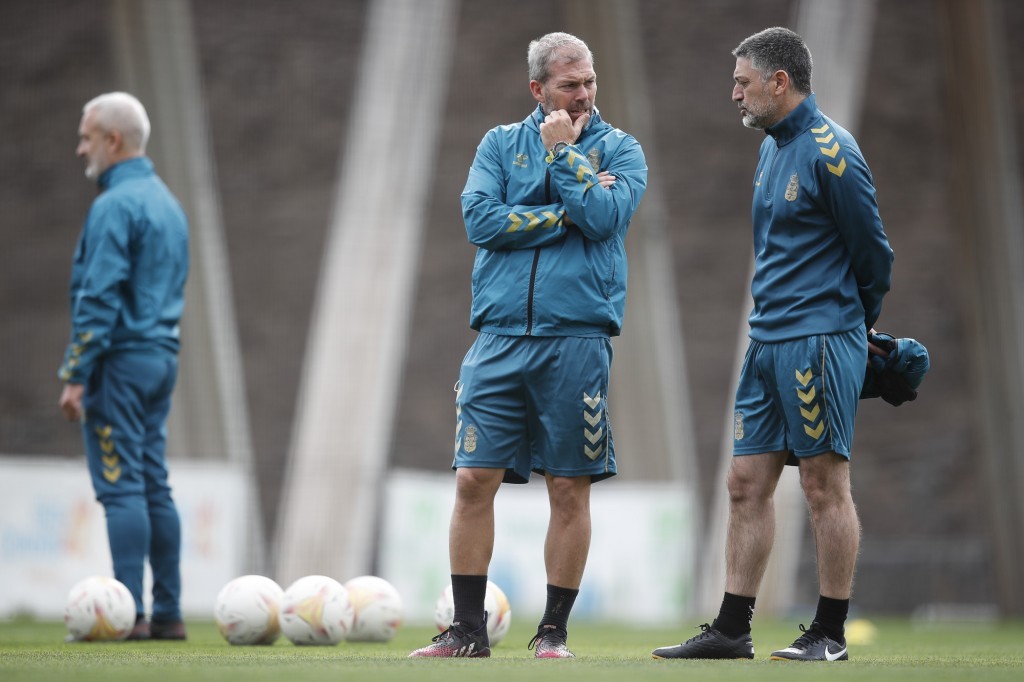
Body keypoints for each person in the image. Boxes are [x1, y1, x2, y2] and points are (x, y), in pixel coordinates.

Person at [652, 27, 893, 662]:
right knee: (743, 484)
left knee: (822, 484)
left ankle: (830, 634)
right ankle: (732, 630)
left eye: (743, 82)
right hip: (765, 342)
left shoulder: (830, 151)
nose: (734, 93)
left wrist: (852, 329)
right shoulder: (770, 148)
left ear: (778, 83)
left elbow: (875, 254)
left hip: (817, 339)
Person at [409, 32, 647, 659]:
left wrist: (567, 158)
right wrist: (559, 215)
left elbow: (602, 218)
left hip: (577, 341)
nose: (584, 94)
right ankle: (466, 631)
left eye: (590, 81)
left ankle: (553, 634)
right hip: (498, 338)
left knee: (568, 487)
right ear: (539, 89)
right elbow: (479, 220)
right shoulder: (498, 144)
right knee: (472, 480)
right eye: (570, 84)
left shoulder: (620, 149)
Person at [58, 92, 190, 641]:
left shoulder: (114, 205)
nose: (80, 146)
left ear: (113, 140)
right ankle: (167, 613)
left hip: (119, 361)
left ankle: (126, 614)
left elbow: (100, 295)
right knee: (154, 485)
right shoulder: (168, 202)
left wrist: (75, 371)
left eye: (87, 136)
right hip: (161, 358)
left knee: (121, 487)